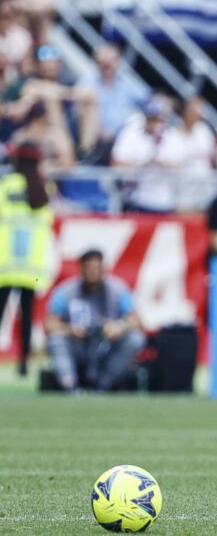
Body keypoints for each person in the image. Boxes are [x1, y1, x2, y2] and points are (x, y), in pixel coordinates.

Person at [46, 249, 146, 392]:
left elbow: (137, 320)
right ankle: (70, 385)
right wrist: (70, 330)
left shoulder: (118, 289)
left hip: (106, 346)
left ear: (103, 269)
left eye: (96, 268)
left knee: (135, 339)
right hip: (79, 346)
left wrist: (119, 326)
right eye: (88, 268)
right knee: (56, 339)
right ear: (81, 269)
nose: (92, 272)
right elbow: (50, 324)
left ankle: (103, 385)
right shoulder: (65, 291)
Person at [0, 141, 53, 376]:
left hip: (5, 263)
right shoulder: (43, 188)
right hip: (31, 265)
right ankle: (24, 362)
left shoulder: (7, 185)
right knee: (27, 315)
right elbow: (47, 222)